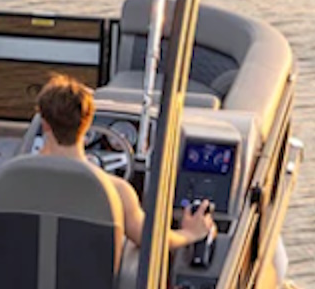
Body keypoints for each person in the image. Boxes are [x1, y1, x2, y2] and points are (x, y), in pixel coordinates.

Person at [35, 73, 214, 256]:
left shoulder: (19, 179)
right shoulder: (117, 191)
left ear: (44, 123)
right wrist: (191, 233)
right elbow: (153, 242)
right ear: (87, 122)